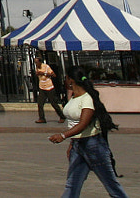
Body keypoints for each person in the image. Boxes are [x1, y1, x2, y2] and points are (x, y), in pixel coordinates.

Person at [49, 69, 129, 197]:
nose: (64, 81)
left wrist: (63, 136)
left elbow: (83, 124)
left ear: (71, 80)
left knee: (111, 184)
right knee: (72, 184)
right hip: (78, 146)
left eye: (66, 78)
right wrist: (72, 144)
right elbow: (73, 123)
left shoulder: (87, 99)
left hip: (93, 145)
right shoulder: (73, 97)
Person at [36, 52, 65, 124]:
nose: (36, 64)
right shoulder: (37, 68)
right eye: (35, 62)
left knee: (53, 103)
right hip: (42, 87)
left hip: (49, 87)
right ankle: (42, 118)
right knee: (40, 103)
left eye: (37, 62)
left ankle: (62, 116)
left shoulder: (46, 67)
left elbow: (54, 75)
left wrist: (44, 73)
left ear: (40, 62)